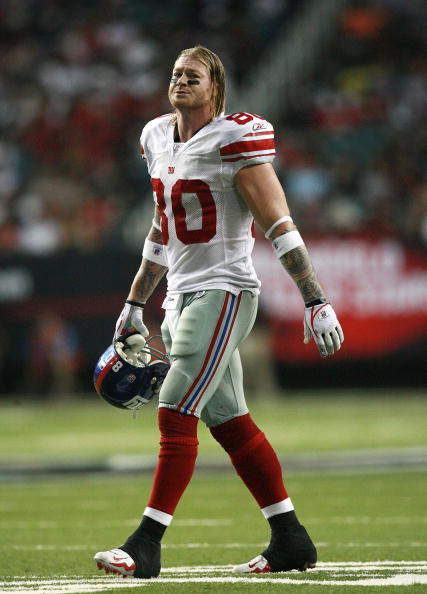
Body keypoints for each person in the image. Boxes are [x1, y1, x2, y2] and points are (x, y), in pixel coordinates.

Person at [94, 45, 344, 579]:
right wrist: (135, 302)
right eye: (176, 73)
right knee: (228, 421)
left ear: (216, 89)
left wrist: (315, 298)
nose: (181, 80)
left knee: (175, 404)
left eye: (194, 75)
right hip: (179, 297)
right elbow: (162, 230)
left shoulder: (236, 138)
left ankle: (146, 544)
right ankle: (291, 539)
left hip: (226, 291)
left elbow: (279, 223)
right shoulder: (156, 136)